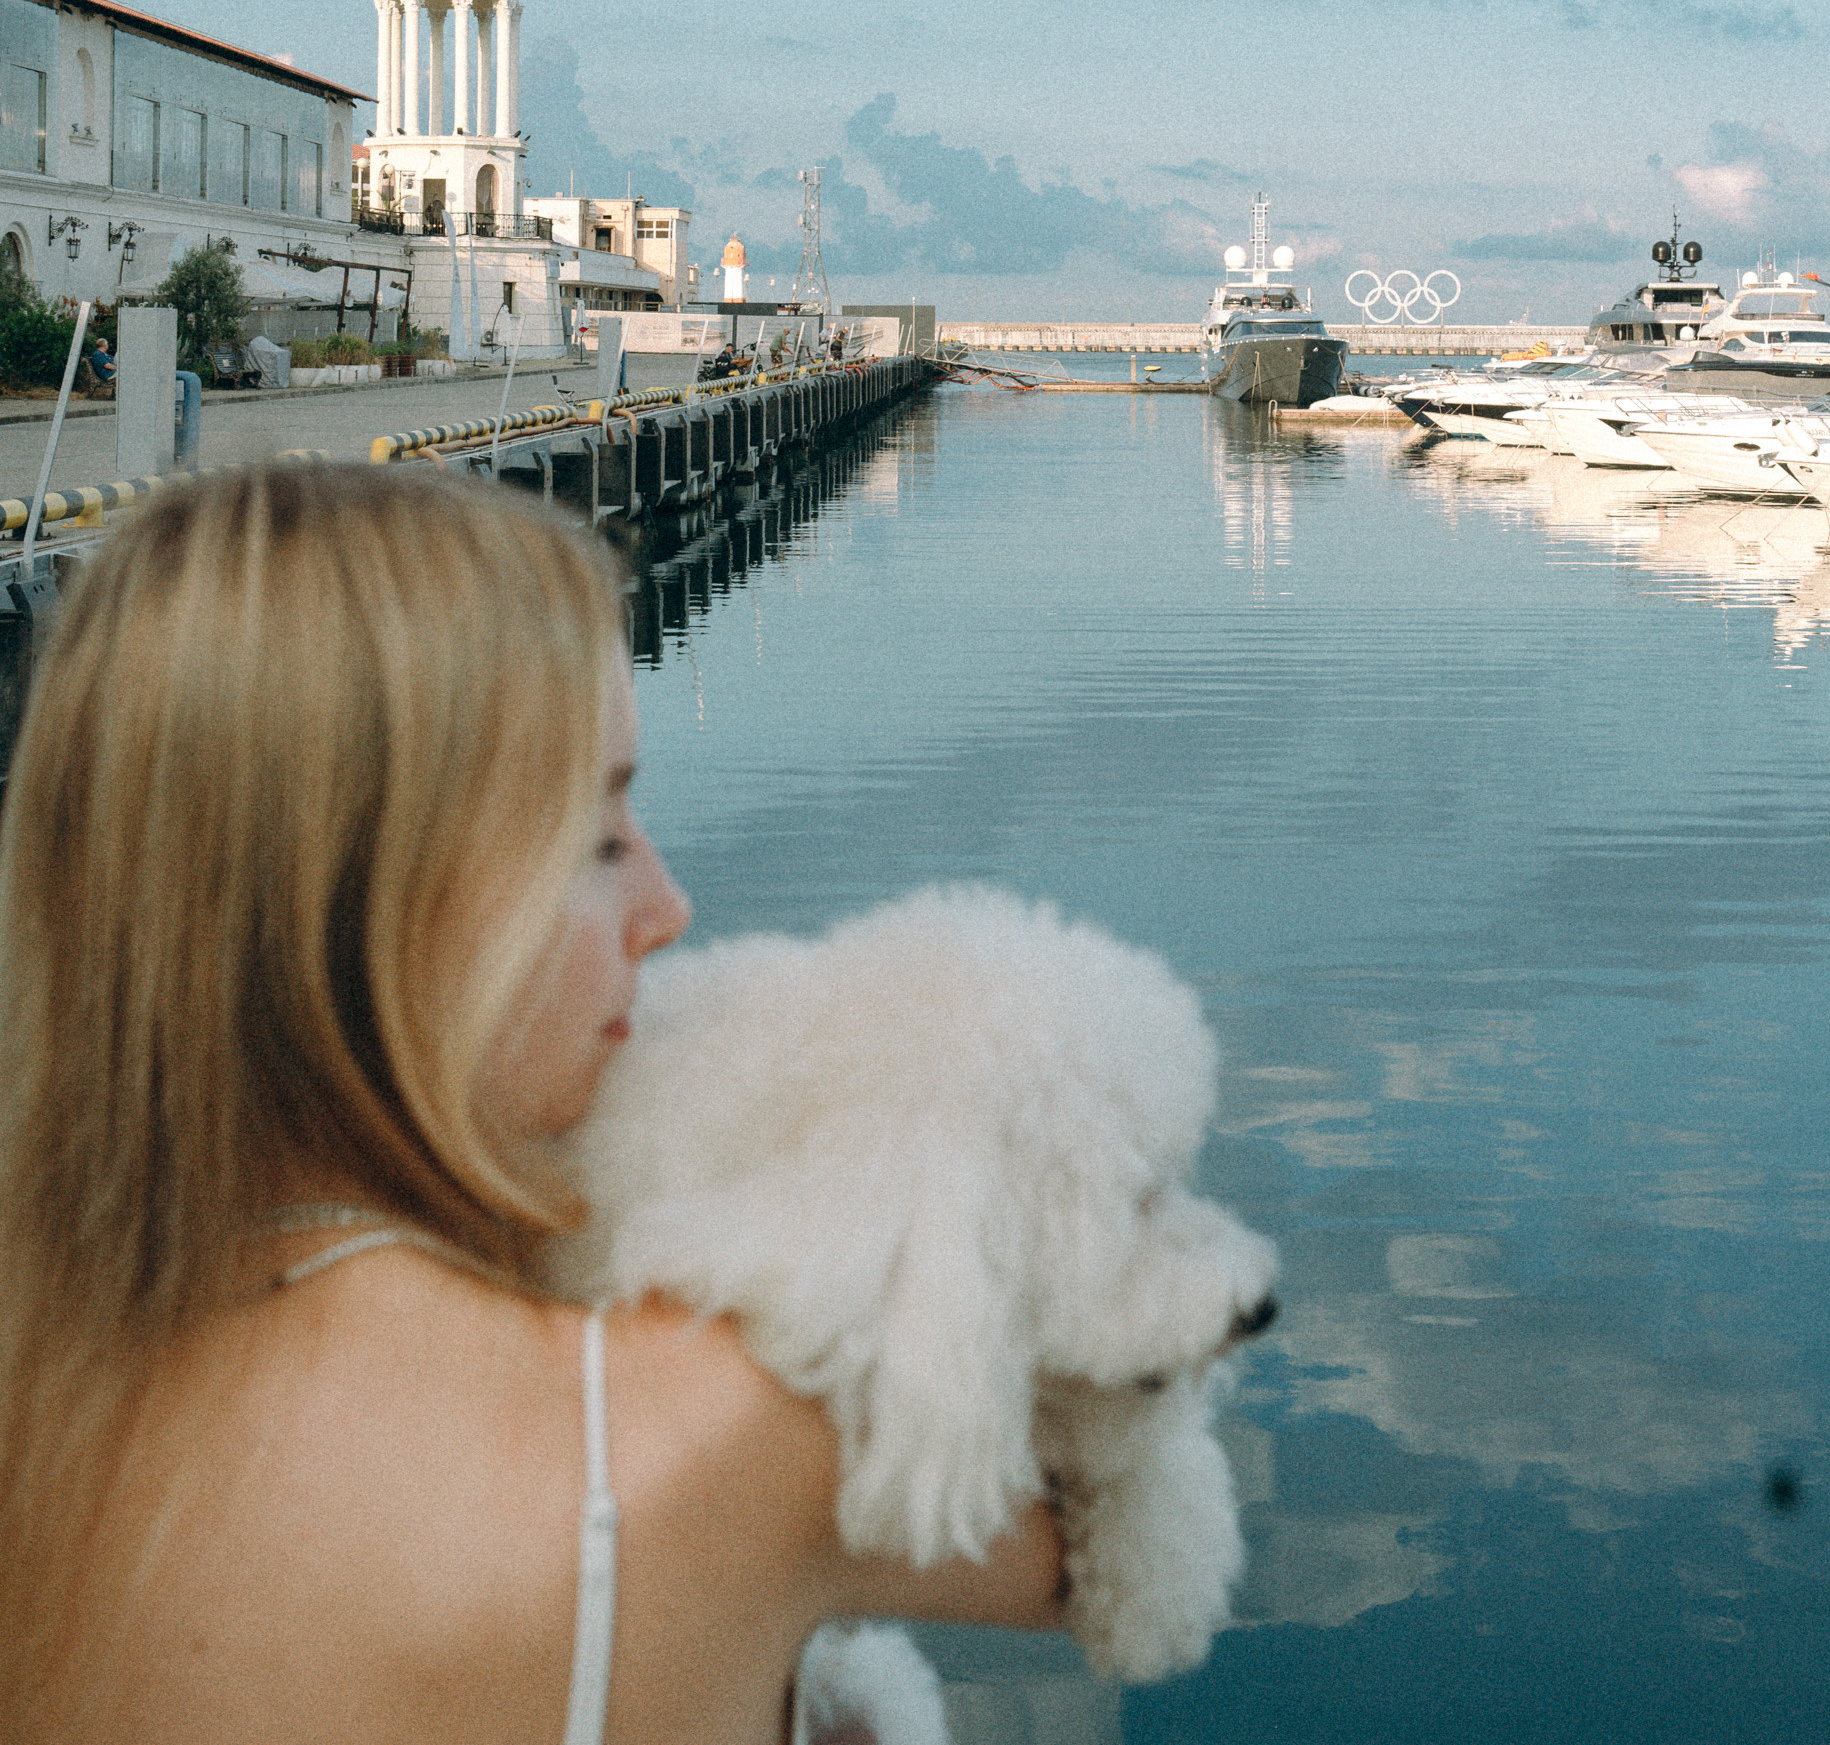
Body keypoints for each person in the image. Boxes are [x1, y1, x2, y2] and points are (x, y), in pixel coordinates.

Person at [0, 465, 1064, 1741]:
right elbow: (1130, 1532)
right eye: (597, 838)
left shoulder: (47, 1376)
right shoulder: (699, 1431)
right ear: (379, 898)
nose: (666, 911)